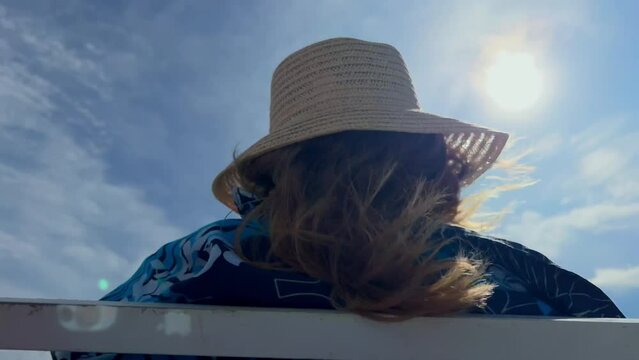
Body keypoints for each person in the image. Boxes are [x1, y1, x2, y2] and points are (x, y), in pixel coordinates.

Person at [53, 37, 624, 360]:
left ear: (275, 174)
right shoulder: (513, 272)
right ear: (434, 168)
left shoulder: (205, 260)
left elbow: (77, 347)